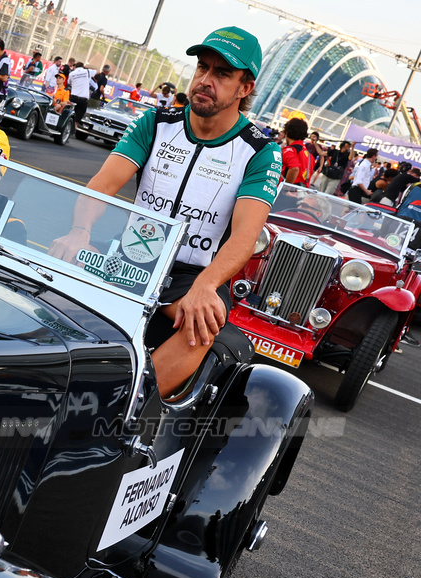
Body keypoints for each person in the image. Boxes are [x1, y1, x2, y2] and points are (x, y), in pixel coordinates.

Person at [48, 26, 282, 400]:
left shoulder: (260, 151)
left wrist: (207, 285)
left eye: (222, 74)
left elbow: (245, 236)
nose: (205, 80)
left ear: (245, 88)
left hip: (195, 274)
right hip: (130, 257)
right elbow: (103, 185)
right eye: (202, 68)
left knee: (200, 326)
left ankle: (125, 408)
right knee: (50, 283)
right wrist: (79, 231)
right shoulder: (155, 124)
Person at [280, 118, 315, 186]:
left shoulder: (289, 151)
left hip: (285, 194)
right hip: (301, 193)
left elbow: (295, 168)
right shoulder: (310, 156)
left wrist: (286, 188)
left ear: (286, 133)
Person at [67, 61, 92, 126]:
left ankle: (68, 125)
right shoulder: (87, 71)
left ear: (75, 67)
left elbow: (69, 83)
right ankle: (75, 126)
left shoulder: (72, 73)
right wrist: (86, 67)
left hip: (74, 96)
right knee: (79, 114)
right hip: (83, 98)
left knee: (70, 112)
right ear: (83, 66)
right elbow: (98, 71)